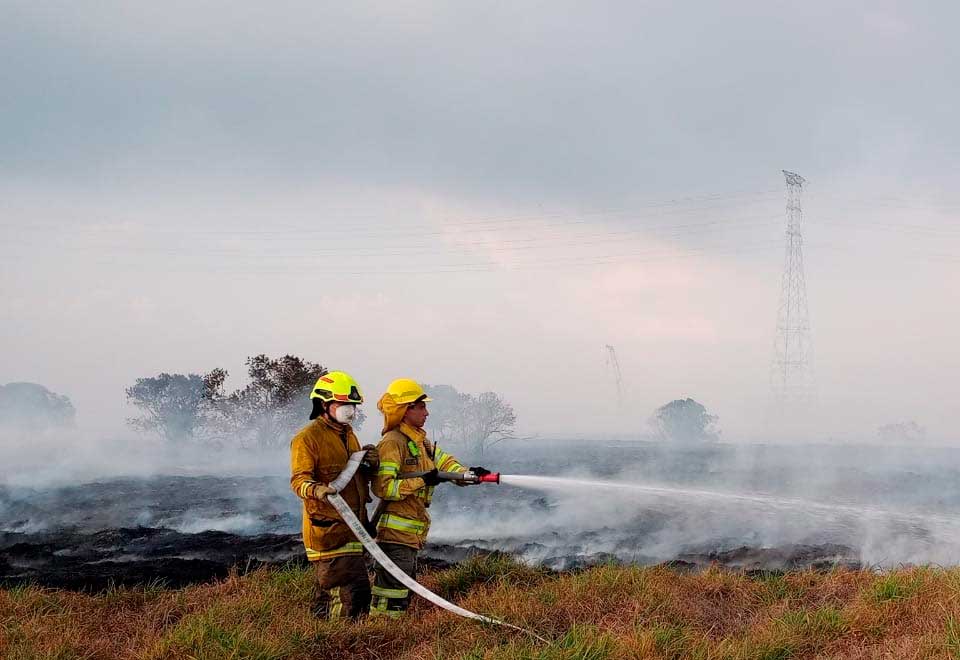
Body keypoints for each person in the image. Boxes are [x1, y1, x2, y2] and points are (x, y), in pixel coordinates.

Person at [370, 378, 490, 617]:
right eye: (421, 406)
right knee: (391, 593)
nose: (427, 412)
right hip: (395, 534)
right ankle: (380, 633)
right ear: (406, 410)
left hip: (410, 534)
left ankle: (396, 631)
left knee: (403, 588)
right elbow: (383, 488)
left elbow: (444, 463)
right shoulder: (392, 442)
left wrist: (469, 474)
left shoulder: (419, 441)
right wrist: (422, 480)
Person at [290, 371, 379, 620]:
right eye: (343, 404)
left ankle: (320, 633)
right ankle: (340, 640)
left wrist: (368, 462)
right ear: (324, 404)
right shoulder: (307, 438)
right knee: (352, 594)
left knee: (333, 590)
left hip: (352, 528)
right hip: (328, 531)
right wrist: (317, 489)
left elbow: (352, 476)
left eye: (352, 405)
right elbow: (299, 480)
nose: (349, 410)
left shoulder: (348, 434)